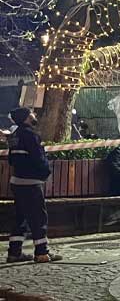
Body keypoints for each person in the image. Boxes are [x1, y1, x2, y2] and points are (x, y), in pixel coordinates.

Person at [5, 107, 60, 263]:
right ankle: (42, 253)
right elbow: (38, 158)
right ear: (25, 118)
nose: (34, 115)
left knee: (20, 218)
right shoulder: (31, 135)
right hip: (31, 183)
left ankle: (14, 253)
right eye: (31, 113)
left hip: (17, 182)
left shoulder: (15, 136)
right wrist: (45, 173)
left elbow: (12, 159)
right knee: (38, 218)